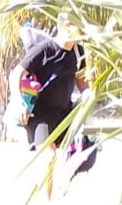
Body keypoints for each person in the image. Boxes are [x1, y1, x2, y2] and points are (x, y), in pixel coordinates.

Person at [20, 21, 88, 164]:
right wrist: (20, 103)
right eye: (77, 24)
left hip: (64, 114)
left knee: (81, 156)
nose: (82, 28)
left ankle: (49, 186)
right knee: (49, 158)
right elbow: (16, 74)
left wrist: (87, 93)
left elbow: (81, 79)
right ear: (66, 25)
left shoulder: (78, 52)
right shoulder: (44, 50)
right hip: (40, 115)